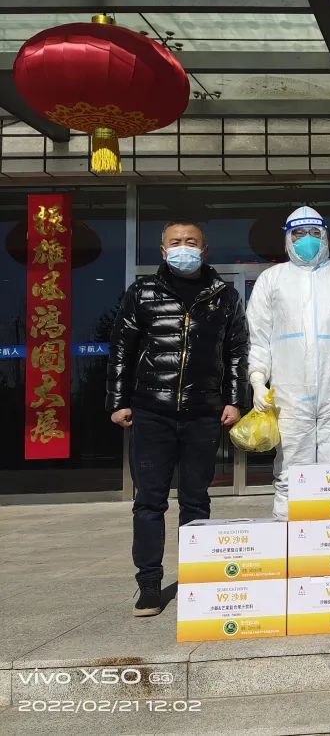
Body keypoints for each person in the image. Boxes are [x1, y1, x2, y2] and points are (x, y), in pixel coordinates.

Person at [107, 220, 248, 616]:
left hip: (204, 412)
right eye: (175, 242)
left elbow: (237, 351)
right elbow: (121, 349)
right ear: (163, 250)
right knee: (149, 501)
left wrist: (234, 400)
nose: (183, 247)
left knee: (196, 499)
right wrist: (118, 400)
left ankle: (195, 576)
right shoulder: (142, 293)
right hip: (152, 410)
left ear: (204, 250)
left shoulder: (224, 296)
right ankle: (149, 583)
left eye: (190, 242)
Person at [246, 206, 330, 519]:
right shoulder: (272, 280)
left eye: (315, 233)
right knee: (291, 469)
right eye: (299, 234)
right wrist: (258, 379)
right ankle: (289, 535)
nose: (307, 240)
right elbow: (259, 337)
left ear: (326, 236)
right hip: (290, 393)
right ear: (288, 239)